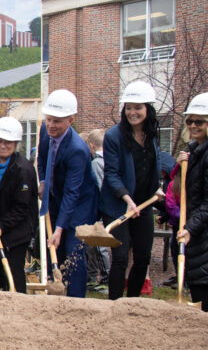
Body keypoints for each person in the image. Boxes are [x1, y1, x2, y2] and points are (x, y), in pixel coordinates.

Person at [100, 82, 164, 300]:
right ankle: (115, 303)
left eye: (137, 107)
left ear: (148, 109)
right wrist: (127, 199)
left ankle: (133, 302)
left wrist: (158, 189)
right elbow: (112, 174)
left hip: (144, 204)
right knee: (119, 257)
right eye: (128, 107)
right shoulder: (113, 136)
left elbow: (150, 166)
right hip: (119, 204)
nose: (132, 112)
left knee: (143, 257)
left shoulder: (152, 135)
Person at [37, 89, 98, 298]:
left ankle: (75, 300)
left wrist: (60, 228)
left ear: (71, 119)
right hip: (55, 198)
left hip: (80, 204)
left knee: (73, 251)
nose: (51, 125)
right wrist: (43, 181)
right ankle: (56, 294)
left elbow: (73, 193)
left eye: (58, 121)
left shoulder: (78, 150)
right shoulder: (45, 130)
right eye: (49, 119)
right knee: (55, 249)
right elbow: (41, 158)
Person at [0, 117, 38, 293]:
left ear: (16, 143)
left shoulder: (23, 170)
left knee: (12, 272)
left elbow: (22, 207)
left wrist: (3, 226)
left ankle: (17, 305)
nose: (3, 146)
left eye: (8, 142)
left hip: (15, 230)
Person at [176, 92, 208, 311]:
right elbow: (181, 192)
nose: (193, 125)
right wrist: (180, 168)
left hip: (203, 234)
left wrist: (190, 229)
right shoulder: (194, 150)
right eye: (190, 121)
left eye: (200, 121)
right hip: (197, 234)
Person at [84, 128, 110, 294]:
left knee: (99, 246)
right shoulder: (110, 160)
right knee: (95, 245)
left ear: (91, 145)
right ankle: (93, 278)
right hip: (105, 209)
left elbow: (98, 187)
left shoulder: (96, 164)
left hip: (99, 210)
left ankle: (106, 280)